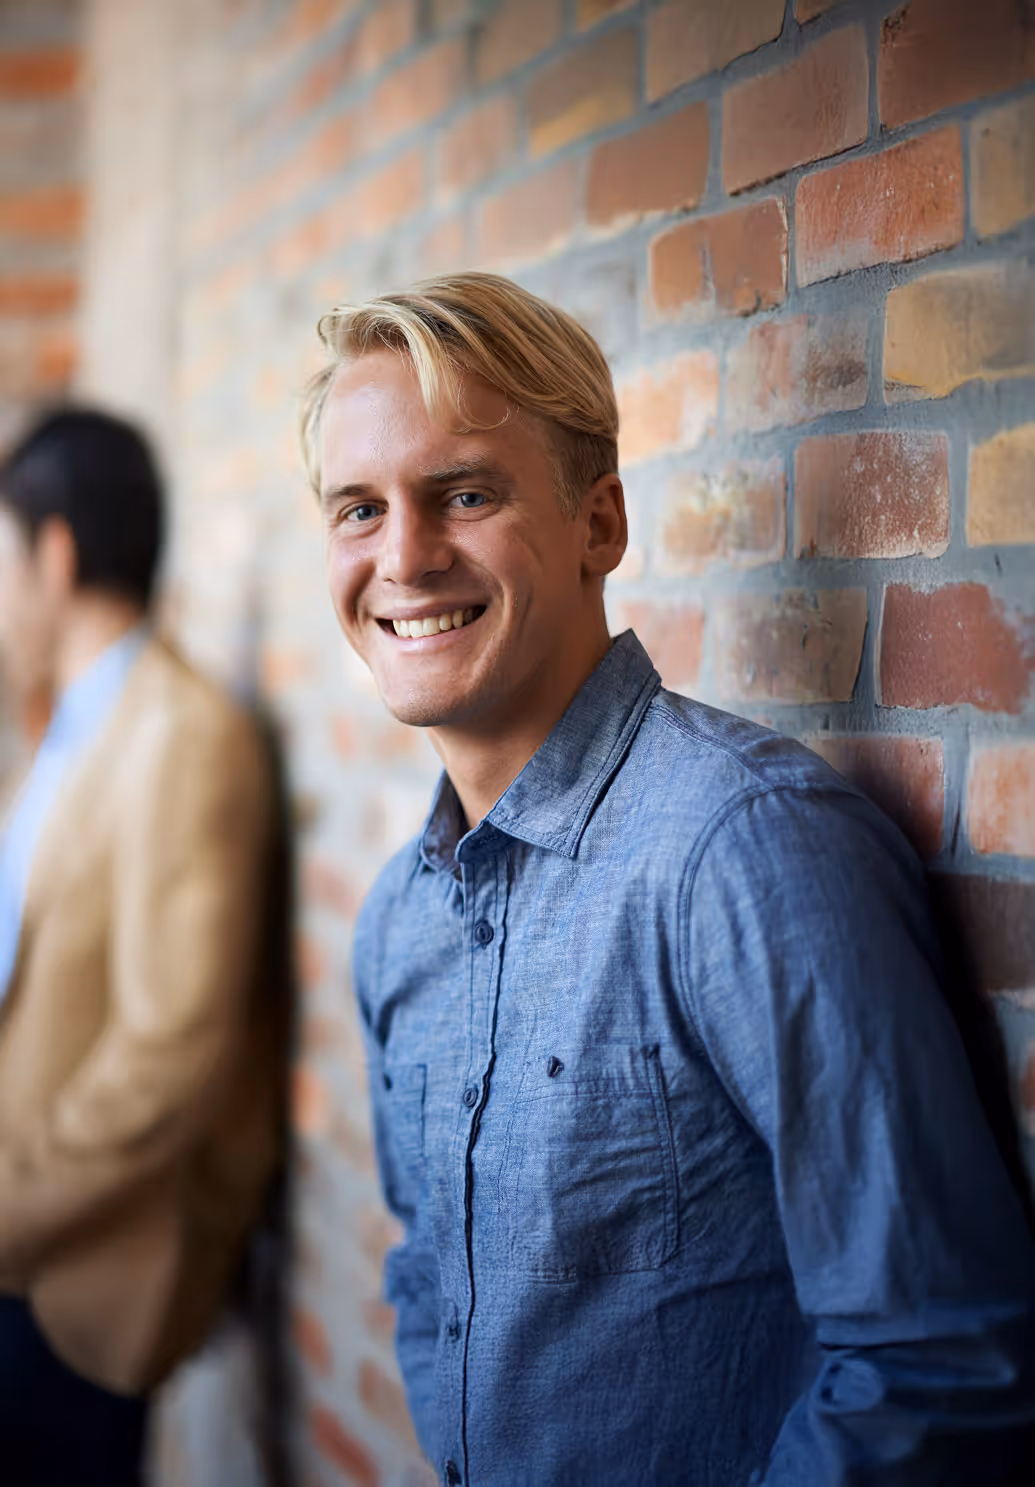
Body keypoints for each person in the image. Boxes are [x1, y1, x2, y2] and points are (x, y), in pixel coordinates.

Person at [302, 272, 1035, 1487]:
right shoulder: (400, 917)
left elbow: (943, 1355)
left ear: (601, 524)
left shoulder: (745, 851)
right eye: (357, 508)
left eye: (464, 493)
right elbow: (430, 1269)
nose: (406, 556)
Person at [0, 409, 284, 1485]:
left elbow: (172, 1050)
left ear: (56, 554)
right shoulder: (72, 728)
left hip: (71, 1285)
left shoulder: (184, 735)